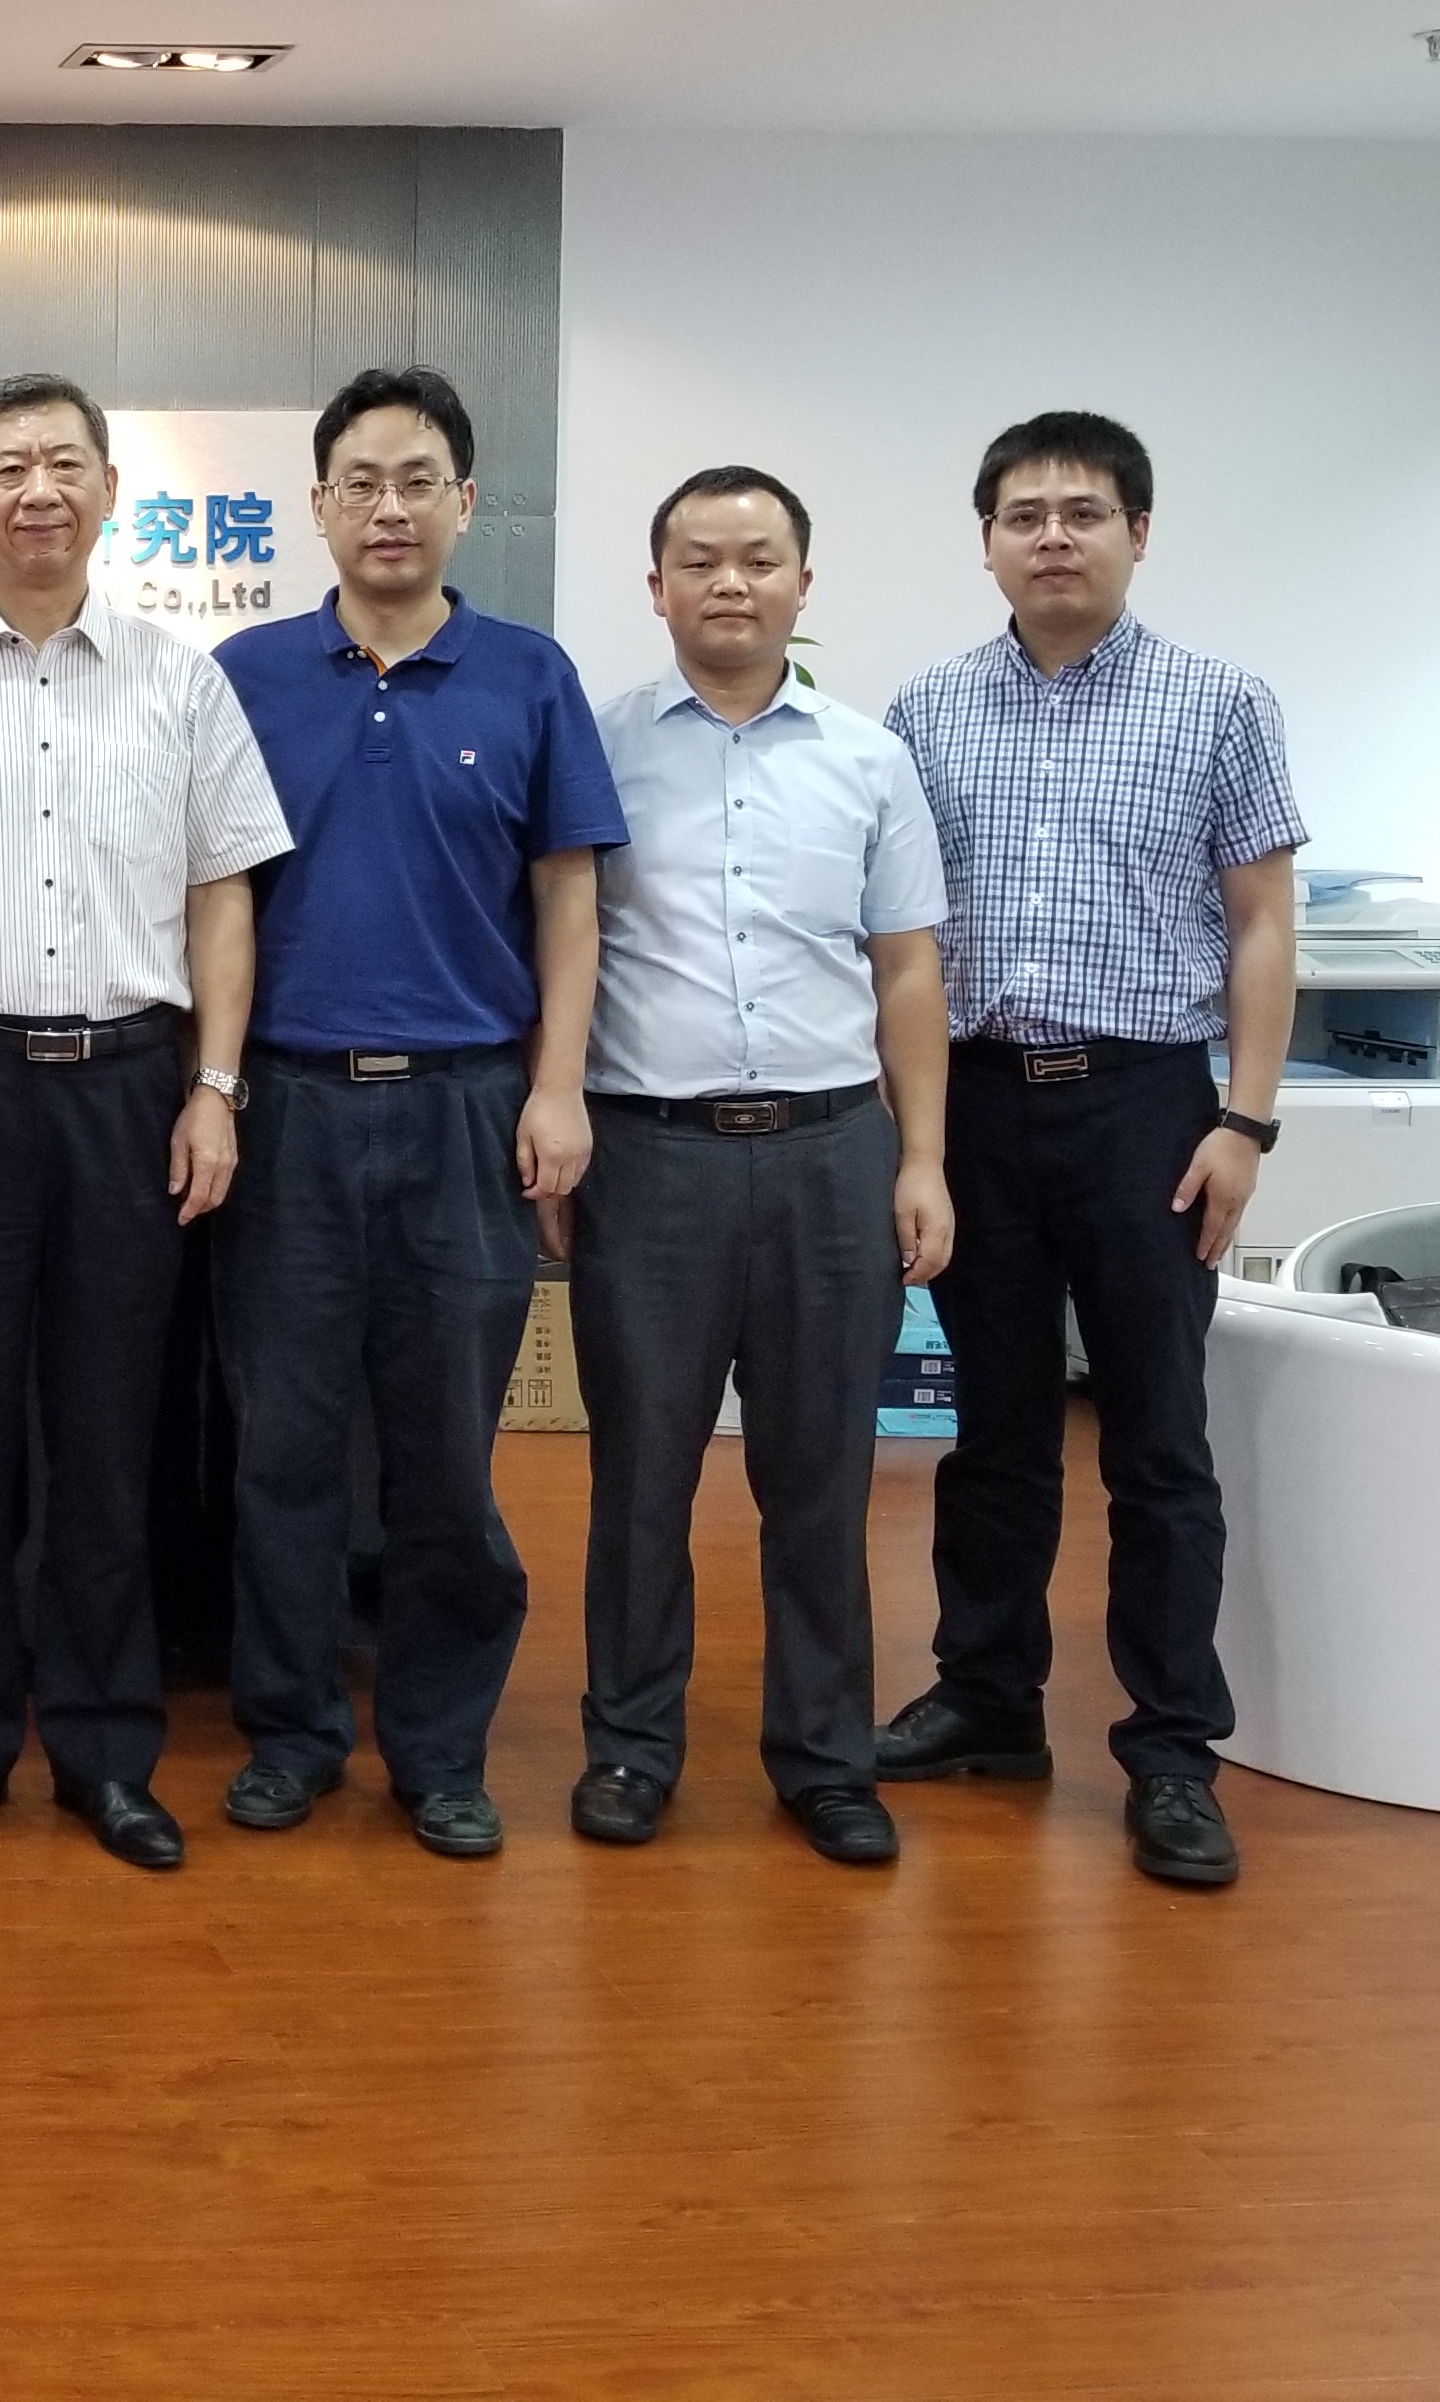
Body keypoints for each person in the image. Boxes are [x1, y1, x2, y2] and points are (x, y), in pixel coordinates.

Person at [0, 375, 287, 1871]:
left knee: (113, 1444)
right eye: (7, 466)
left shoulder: (185, 683)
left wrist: (215, 1089)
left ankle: (109, 1753)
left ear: (111, 490)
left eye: (64, 464)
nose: (36, 490)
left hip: (130, 1089)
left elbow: (222, 898)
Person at [878, 411, 1300, 1889]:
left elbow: (1262, 923)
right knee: (992, 1428)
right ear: (988, 541)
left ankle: (1173, 1748)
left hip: (1147, 1110)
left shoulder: (1220, 702)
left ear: (1138, 532)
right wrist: (915, 1136)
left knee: (1156, 1439)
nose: (1053, 536)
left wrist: (1244, 1120)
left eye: (1085, 512)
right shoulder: (927, 709)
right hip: (980, 1102)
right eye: (1025, 515)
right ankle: (989, 1698)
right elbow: (904, 940)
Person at [213, 366, 623, 1860]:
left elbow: (567, 899)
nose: (389, 509)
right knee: (286, 1448)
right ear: (319, 506)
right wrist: (214, 1090)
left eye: (418, 482)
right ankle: (291, 1731)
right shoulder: (245, 675)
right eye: (362, 484)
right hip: (288, 1111)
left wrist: (558, 1087)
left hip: (466, 1110)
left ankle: (441, 1749)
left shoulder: (529, 676)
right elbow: (216, 903)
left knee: (449, 1454)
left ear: (464, 502)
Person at [570, 467, 953, 1866]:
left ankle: (826, 1760)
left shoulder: (869, 758)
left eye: (757, 558)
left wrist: (923, 1160)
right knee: (641, 1478)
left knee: (820, 1478)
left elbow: (907, 970)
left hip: (830, 1155)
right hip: (649, 1158)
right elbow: (563, 945)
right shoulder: (595, 748)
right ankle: (630, 1747)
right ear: (655, 584)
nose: (729, 583)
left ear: (803, 582)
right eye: (699, 559)